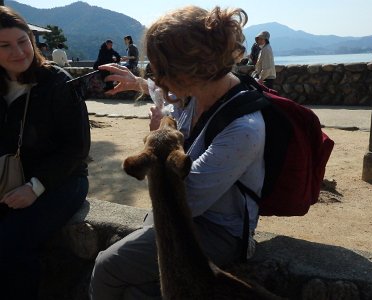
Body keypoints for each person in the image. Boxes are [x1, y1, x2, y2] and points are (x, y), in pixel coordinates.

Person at [89, 5, 265, 300]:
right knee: (135, 292)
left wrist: (154, 153)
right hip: (187, 217)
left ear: (187, 71)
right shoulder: (195, 95)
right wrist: (138, 84)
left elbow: (187, 200)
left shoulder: (242, 129)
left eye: (159, 70)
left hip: (219, 230)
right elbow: (168, 102)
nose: (156, 79)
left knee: (108, 267)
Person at [0, 6, 90, 300]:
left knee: (12, 240)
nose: (18, 52)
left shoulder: (58, 83)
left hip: (61, 181)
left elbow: (77, 148)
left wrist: (35, 187)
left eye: (23, 41)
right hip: (9, 178)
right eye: (5, 46)